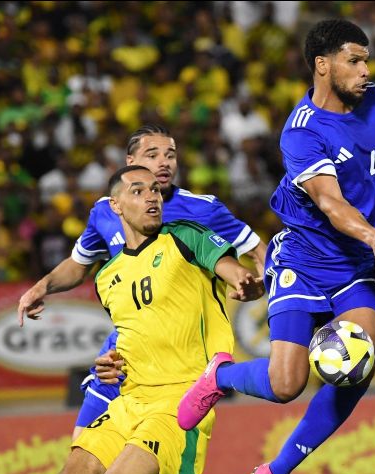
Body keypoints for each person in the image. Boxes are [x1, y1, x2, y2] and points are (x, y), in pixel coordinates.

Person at [177, 19, 375, 474]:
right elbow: (329, 202)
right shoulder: (301, 134)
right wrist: (374, 235)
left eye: (366, 59)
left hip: (355, 267)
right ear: (322, 65)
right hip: (304, 259)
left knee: (356, 364)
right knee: (287, 385)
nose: (366, 69)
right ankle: (219, 378)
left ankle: (275, 472)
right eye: (354, 60)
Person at [17, 123, 267, 440]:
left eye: (171, 155)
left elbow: (260, 254)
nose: (164, 162)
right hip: (121, 357)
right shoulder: (106, 210)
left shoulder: (202, 209)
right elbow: (79, 264)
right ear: (130, 160)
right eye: (153, 154)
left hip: (176, 366)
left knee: (162, 462)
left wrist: (260, 286)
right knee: (83, 450)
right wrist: (41, 287)